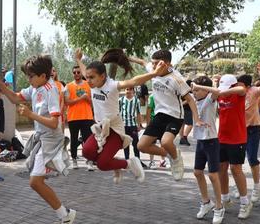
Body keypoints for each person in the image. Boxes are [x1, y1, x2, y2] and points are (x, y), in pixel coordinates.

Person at [0, 55, 77, 224]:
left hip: (51, 139)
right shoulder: (35, 88)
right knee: (36, 181)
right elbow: (15, 98)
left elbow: (55, 123)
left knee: (35, 182)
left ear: (43, 75)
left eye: (31, 76)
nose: (28, 79)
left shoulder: (51, 90)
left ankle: (65, 214)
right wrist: (0, 83)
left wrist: (30, 114)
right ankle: (63, 213)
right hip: (42, 138)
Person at [74, 48, 163, 184]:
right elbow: (85, 70)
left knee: (102, 164)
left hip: (114, 129)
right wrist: (78, 59)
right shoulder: (92, 82)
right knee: (87, 152)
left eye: (91, 77)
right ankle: (119, 164)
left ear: (103, 76)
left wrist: (154, 73)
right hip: (101, 128)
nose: (88, 80)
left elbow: (134, 82)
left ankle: (129, 164)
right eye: (88, 77)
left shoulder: (113, 85)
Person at [191, 74, 252, 219]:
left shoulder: (239, 92)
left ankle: (245, 202)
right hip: (221, 137)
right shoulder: (218, 95)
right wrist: (215, 84)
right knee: (221, 169)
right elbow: (209, 96)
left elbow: (240, 89)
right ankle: (224, 198)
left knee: (236, 169)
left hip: (237, 138)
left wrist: (220, 89)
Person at [135, 49, 201, 181]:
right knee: (141, 146)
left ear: (167, 64)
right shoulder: (154, 70)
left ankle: (175, 158)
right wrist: (126, 57)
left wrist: (197, 119)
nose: (153, 66)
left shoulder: (177, 79)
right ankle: (172, 154)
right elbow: (143, 62)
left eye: (156, 64)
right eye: (153, 63)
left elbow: (190, 99)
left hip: (175, 116)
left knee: (165, 142)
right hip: (160, 115)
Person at [191, 76, 225, 224]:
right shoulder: (194, 101)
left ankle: (219, 206)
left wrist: (204, 86)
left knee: (213, 175)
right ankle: (206, 202)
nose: (195, 93)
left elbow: (217, 90)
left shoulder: (210, 100)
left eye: (198, 90)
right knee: (197, 172)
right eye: (194, 90)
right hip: (200, 141)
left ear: (205, 90)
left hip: (211, 141)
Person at [240, 64, 260, 202]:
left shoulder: (253, 91)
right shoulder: (235, 92)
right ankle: (240, 186)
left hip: (252, 129)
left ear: (247, 86)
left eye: (240, 85)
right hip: (239, 129)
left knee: (252, 158)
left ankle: (257, 186)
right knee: (237, 160)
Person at [66, 63, 95, 169]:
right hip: (73, 117)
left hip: (87, 117)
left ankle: (90, 161)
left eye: (78, 72)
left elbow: (94, 103)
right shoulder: (68, 86)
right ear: (72, 74)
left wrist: (87, 99)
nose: (77, 74)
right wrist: (81, 98)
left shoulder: (88, 85)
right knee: (74, 140)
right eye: (74, 72)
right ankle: (74, 160)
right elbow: (67, 102)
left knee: (88, 140)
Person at [120, 85, 143, 162]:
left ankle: (138, 160)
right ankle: (127, 160)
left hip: (133, 125)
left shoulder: (136, 100)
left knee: (135, 143)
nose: (128, 91)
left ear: (133, 91)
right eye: (127, 89)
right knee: (126, 143)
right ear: (124, 90)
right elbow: (118, 113)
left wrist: (139, 124)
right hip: (124, 125)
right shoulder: (121, 100)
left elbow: (139, 113)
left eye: (130, 89)